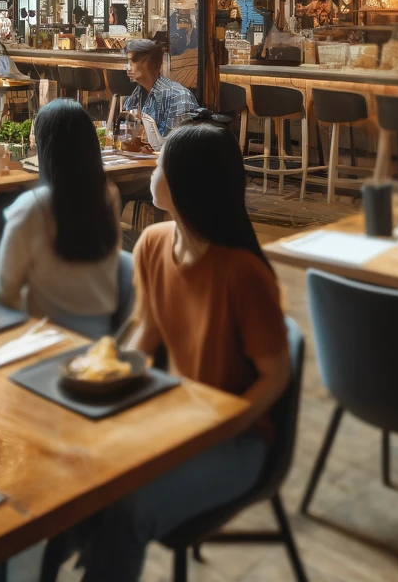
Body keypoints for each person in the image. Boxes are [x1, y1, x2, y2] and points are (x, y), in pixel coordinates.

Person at [72, 122, 289, 581]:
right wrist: (108, 382)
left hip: (237, 439)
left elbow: (275, 375)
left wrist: (220, 426)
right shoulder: (152, 243)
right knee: (72, 474)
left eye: (163, 161)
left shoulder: (243, 273)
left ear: (188, 182)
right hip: (176, 413)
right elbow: (147, 330)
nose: (154, 166)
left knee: (125, 510)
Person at [0, 100, 121, 336]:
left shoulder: (31, 207)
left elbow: (4, 291)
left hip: (46, 337)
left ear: (45, 147)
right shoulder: (109, 194)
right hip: (102, 333)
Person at [121, 38, 196, 149]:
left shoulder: (178, 95)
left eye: (133, 61)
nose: (128, 68)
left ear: (151, 64)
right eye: (128, 62)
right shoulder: (137, 94)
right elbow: (127, 137)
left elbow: (179, 146)